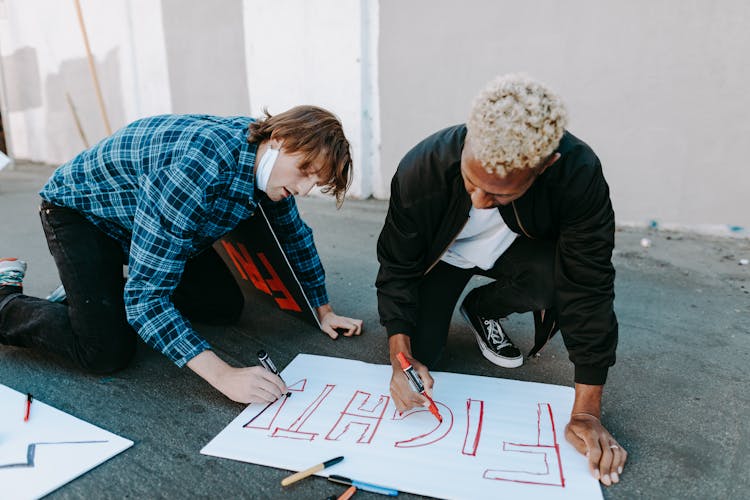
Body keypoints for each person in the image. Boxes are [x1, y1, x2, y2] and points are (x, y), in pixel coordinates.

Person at [0, 106, 363, 403]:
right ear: (280, 139)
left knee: (220, 307)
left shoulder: (266, 166)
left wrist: (322, 309)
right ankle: (7, 302)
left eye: (314, 184)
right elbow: (145, 301)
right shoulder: (197, 169)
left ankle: (96, 291)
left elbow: (293, 235)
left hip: (154, 224)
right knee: (105, 351)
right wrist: (225, 376)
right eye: (303, 172)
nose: (302, 188)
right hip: (84, 215)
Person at [376, 74, 627, 485]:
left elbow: (589, 286)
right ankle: (443, 315)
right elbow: (397, 266)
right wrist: (399, 355)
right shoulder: (422, 167)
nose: (478, 200)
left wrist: (586, 411)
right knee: (422, 355)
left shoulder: (578, 174)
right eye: (471, 182)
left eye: (497, 195)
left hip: (519, 252)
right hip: (443, 258)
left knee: (556, 284)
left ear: (544, 167)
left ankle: (482, 306)